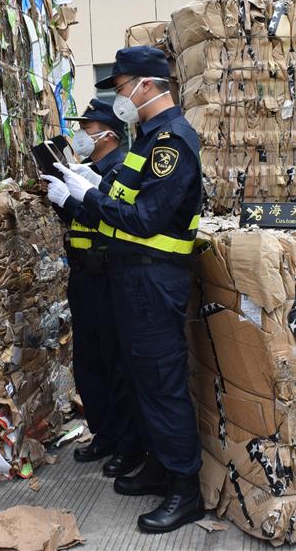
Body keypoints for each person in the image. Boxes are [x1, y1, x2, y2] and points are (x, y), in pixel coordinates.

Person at [46, 46, 204, 533]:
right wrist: (85, 185)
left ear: (148, 85)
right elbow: (120, 198)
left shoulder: (171, 143)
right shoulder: (146, 139)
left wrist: (84, 196)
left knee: (162, 383)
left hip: (154, 279)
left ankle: (185, 489)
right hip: (131, 277)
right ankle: (159, 466)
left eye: (121, 88)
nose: (120, 98)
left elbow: (145, 217)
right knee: (141, 381)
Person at [43, 99, 144, 479]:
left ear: (108, 133)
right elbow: (76, 219)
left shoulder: (119, 171)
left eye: (87, 127)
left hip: (107, 273)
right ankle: (104, 433)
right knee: (89, 360)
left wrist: (77, 195)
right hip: (83, 272)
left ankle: (127, 442)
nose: (81, 134)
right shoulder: (90, 168)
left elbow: (111, 219)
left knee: (114, 360)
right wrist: (61, 194)